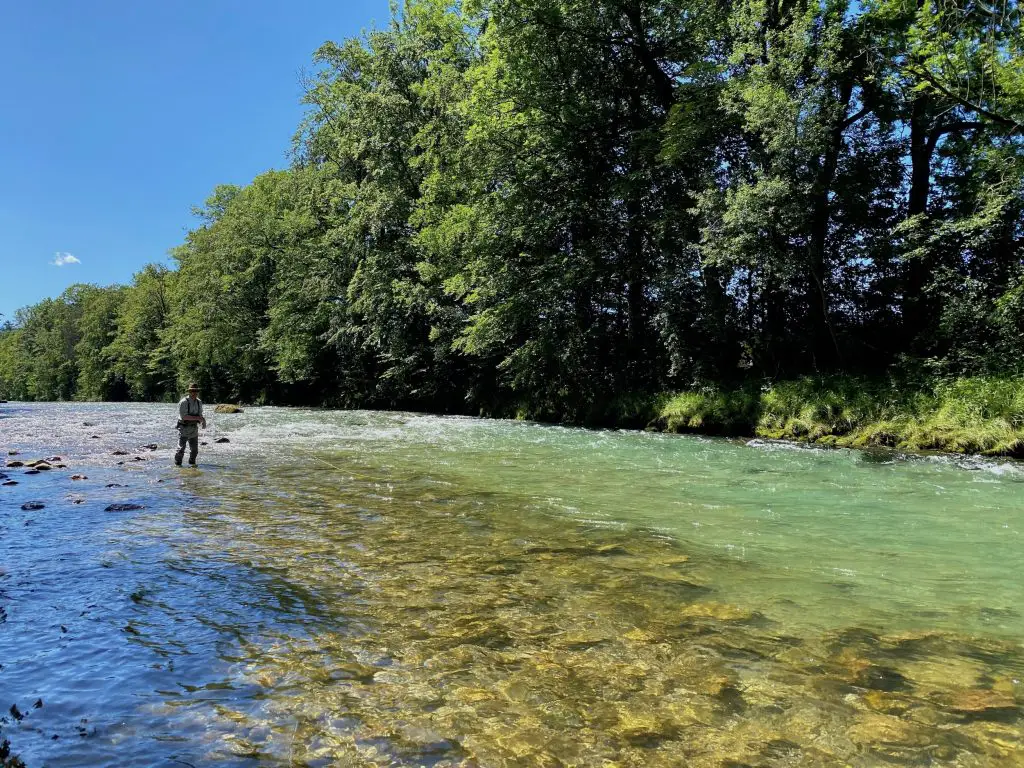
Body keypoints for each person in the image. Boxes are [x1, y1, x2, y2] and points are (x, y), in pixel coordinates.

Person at [174, 382, 207, 466]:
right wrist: (198, 418)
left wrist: (203, 421)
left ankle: (192, 466)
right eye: (192, 391)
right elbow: (184, 417)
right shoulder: (184, 402)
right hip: (183, 427)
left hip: (194, 428)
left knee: (194, 450)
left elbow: (200, 415)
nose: (194, 393)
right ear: (189, 392)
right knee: (181, 449)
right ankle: (178, 466)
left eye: (196, 391)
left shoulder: (199, 402)